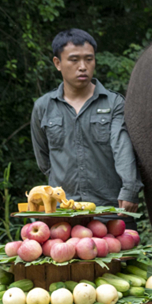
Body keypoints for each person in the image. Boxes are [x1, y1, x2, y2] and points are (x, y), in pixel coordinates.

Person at [31, 29, 142, 218]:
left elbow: (122, 148)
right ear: (58, 63)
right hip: (62, 213)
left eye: (89, 59)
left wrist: (130, 188)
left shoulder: (114, 103)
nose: (82, 66)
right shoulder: (44, 107)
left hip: (110, 210)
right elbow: (44, 160)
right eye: (74, 60)